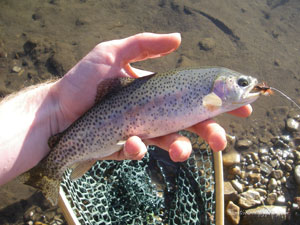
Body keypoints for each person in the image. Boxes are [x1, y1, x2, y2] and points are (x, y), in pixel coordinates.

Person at [0, 33, 252, 186]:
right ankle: (48, 172)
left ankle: (49, 170)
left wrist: (54, 111)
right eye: (242, 83)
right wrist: (56, 108)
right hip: (108, 118)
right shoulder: (211, 96)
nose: (247, 87)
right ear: (218, 86)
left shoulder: (212, 99)